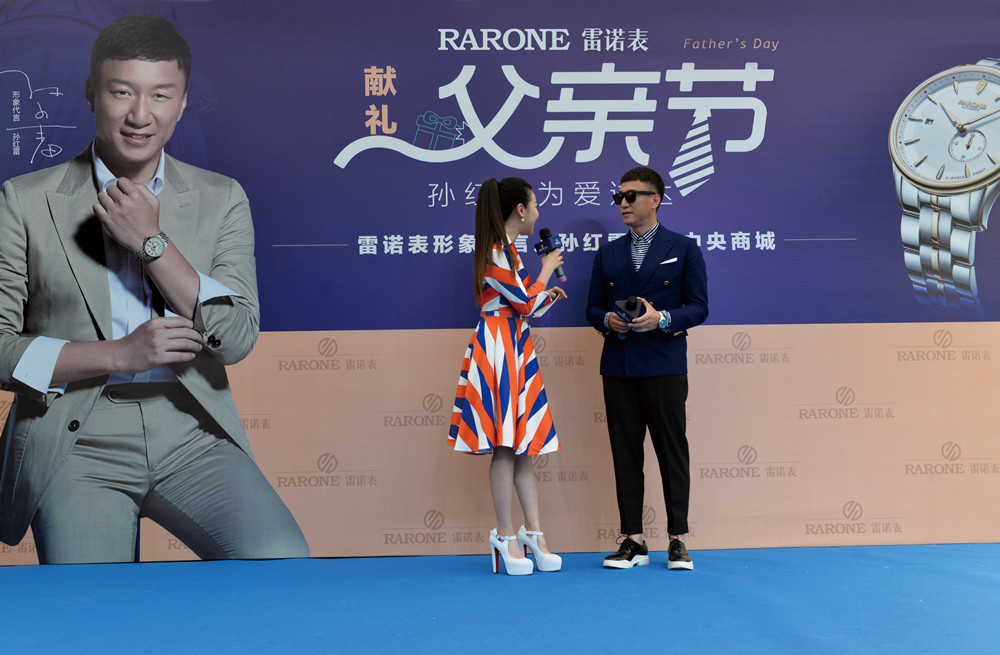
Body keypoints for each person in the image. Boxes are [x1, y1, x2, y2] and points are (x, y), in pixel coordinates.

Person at [0, 14, 309, 563]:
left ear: (183, 102)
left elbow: (236, 338)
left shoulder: (221, 198)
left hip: (190, 428)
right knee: (94, 600)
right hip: (76, 436)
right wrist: (120, 354)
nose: (141, 115)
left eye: (161, 95)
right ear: (92, 94)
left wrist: (152, 242)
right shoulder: (23, 201)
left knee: (280, 561)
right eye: (122, 92)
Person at [586, 166, 708, 571]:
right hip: (619, 365)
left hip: (664, 363)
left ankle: (678, 539)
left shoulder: (684, 248)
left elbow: (699, 307)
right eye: (618, 197)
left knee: (672, 451)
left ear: (655, 200)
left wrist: (663, 319)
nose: (622, 203)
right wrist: (608, 320)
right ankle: (633, 539)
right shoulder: (608, 253)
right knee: (625, 453)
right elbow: (591, 307)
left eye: (631, 196)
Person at [448, 177, 567, 575]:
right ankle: (504, 534)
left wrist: (544, 291)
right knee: (503, 445)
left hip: (514, 345)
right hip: (498, 349)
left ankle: (534, 533)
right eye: (535, 205)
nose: (537, 213)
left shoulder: (510, 252)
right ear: (520, 209)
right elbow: (523, 302)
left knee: (522, 446)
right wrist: (547, 269)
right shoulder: (496, 252)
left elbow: (525, 303)